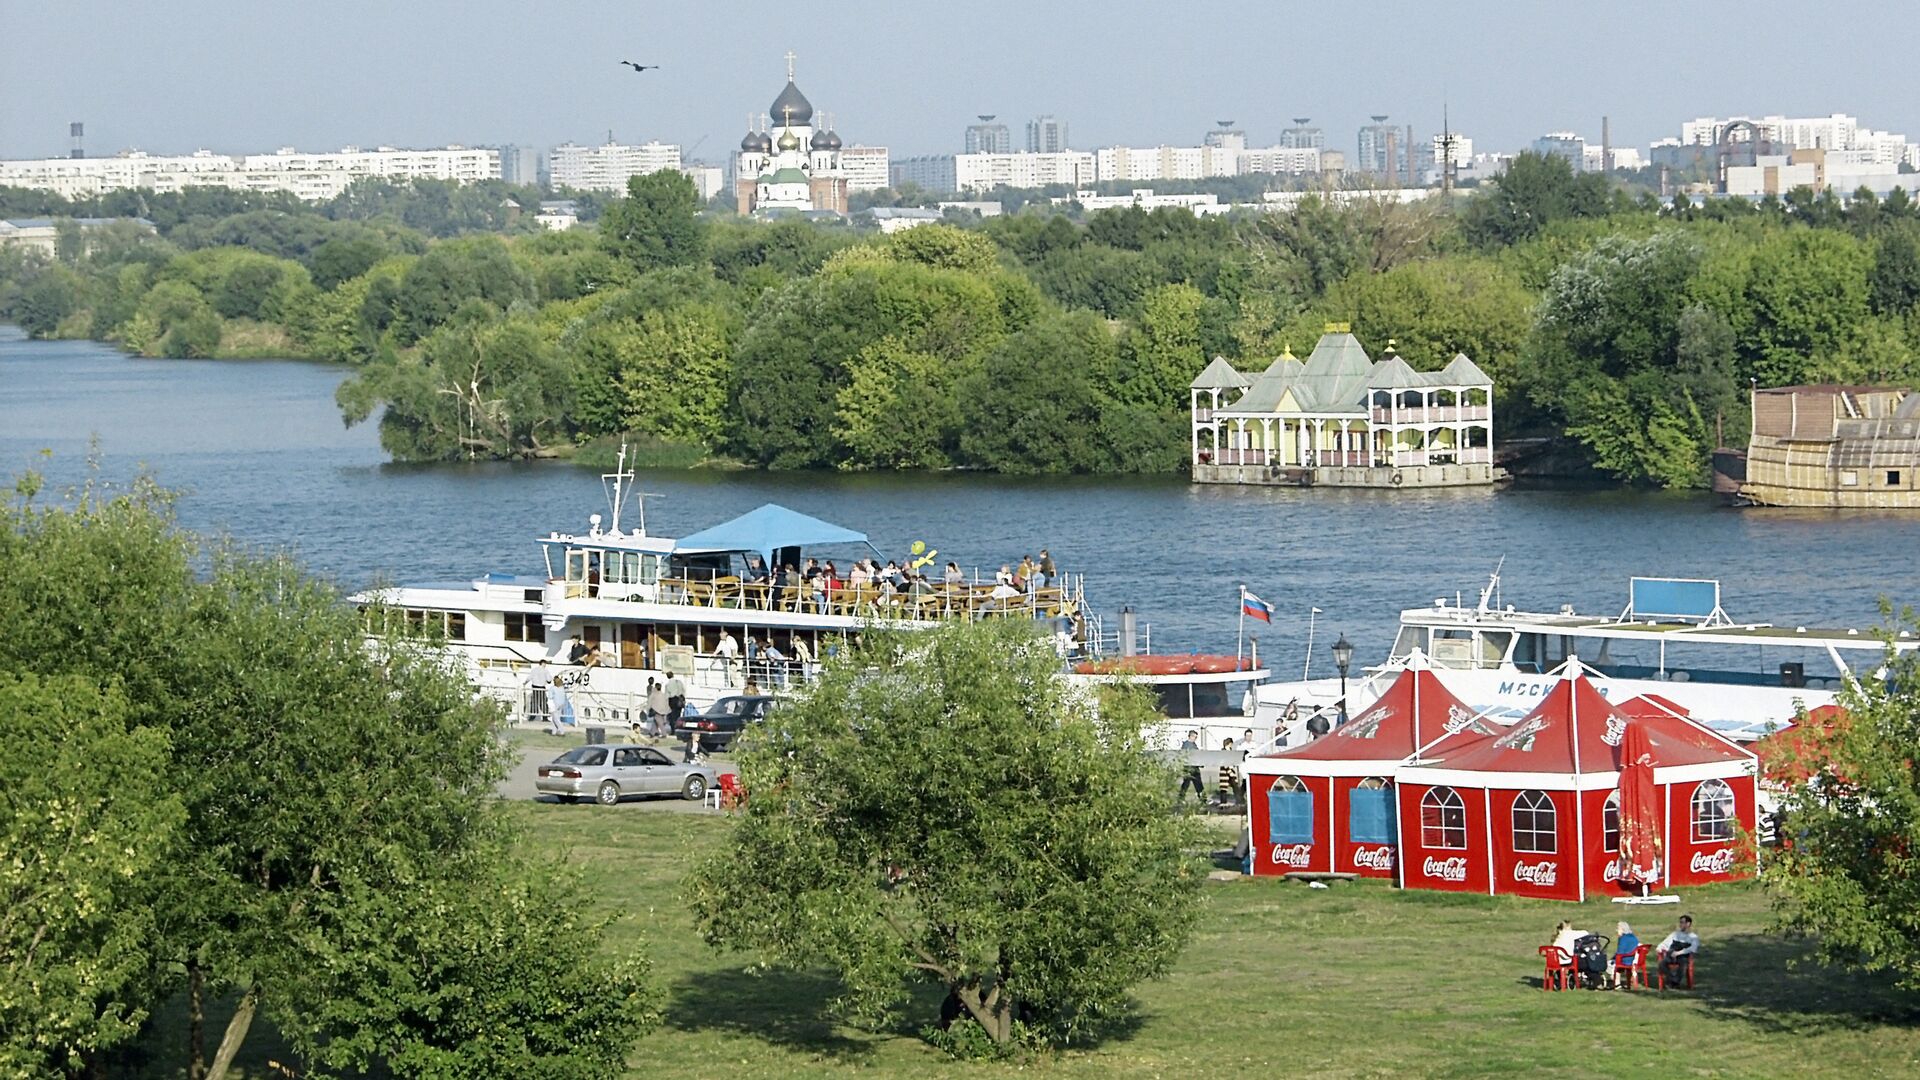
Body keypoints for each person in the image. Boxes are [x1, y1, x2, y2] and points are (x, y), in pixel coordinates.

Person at [1657, 914, 1701, 985]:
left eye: (1682, 922)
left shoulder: (1693, 937)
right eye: (1680, 922)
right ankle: (1672, 979)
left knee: (1683, 965)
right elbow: (1665, 943)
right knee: (1662, 964)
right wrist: (1659, 948)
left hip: (1683, 956)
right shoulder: (1675, 934)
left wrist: (1679, 953)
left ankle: (1675, 981)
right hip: (1671, 955)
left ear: (1688, 924)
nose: (1680, 924)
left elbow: (1693, 949)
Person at [1177, 730, 1206, 803]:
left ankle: (1203, 799)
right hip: (1189, 767)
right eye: (1194, 737)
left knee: (1198, 784)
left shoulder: (1193, 745)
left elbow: (1197, 756)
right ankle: (1181, 799)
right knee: (1186, 783)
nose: (1195, 739)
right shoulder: (1187, 745)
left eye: (1196, 737)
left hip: (1194, 767)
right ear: (1190, 736)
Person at [1611, 921, 1641, 989]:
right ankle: (1628, 983)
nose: (1616, 931)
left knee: (1612, 965)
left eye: (1618, 929)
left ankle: (1617, 983)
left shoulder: (1623, 939)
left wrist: (1613, 958)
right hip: (1634, 960)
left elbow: (1620, 952)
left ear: (1622, 930)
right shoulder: (1634, 937)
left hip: (1626, 960)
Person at [525, 660, 553, 727]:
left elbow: (529, 677)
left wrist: (525, 682)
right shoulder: (545, 671)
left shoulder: (534, 670)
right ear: (543, 663)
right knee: (543, 702)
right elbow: (549, 680)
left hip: (535, 687)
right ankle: (545, 717)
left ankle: (532, 716)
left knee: (534, 702)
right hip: (542, 687)